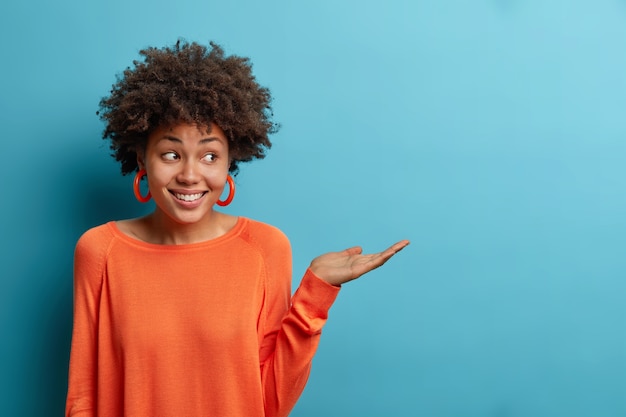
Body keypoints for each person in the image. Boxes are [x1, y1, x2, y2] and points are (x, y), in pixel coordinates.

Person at [65, 40, 409, 417]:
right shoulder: (100, 250)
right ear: (141, 158)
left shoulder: (264, 248)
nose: (190, 175)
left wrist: (316, 293)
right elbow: (84, 396)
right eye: (171, 154)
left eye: (210, 155)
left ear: (231, 161)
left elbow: (272, 401)